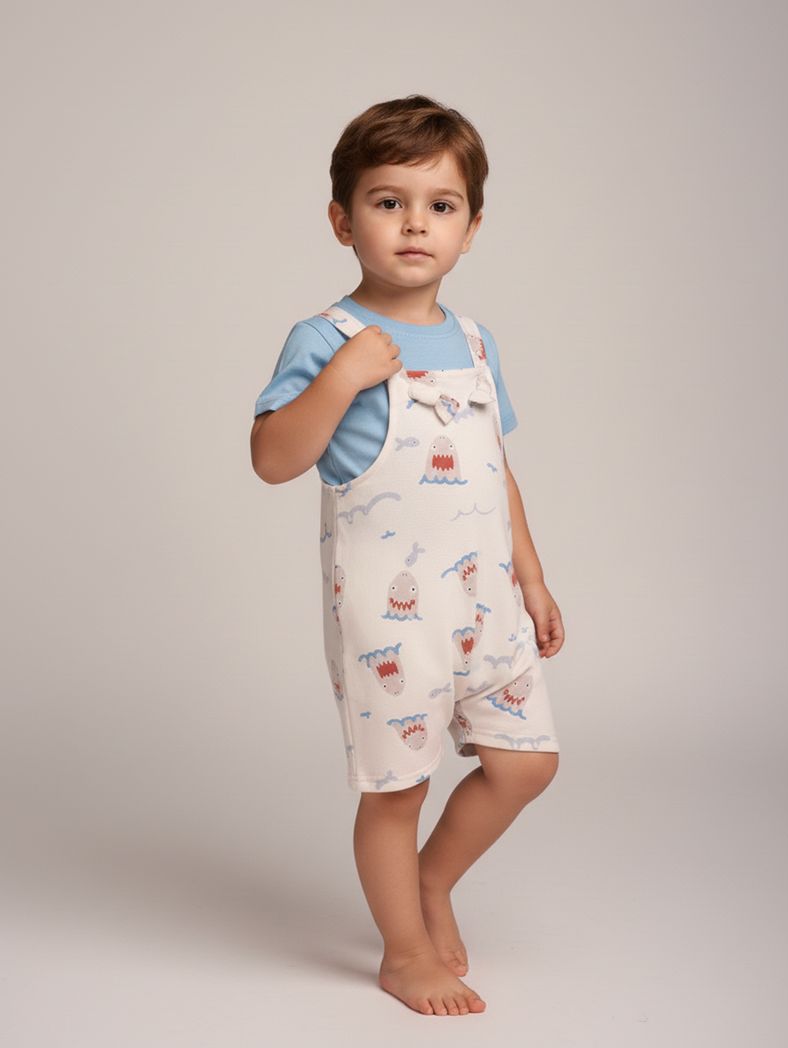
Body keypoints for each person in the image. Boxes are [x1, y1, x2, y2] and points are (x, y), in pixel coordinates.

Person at [249, 94, 565, 1017]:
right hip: (393, 618)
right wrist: (340, 381)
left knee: (525, 765)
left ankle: (430, 882)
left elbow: (495, 468)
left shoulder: (474, 341)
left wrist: (534, 578)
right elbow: (272, 460)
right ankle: (403, 953)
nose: (415, 223)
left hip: (487, 601)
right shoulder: (327, 339)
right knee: (399, 788)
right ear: (343, 220)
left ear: (471, 227)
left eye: (440, 205)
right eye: (388, 202)